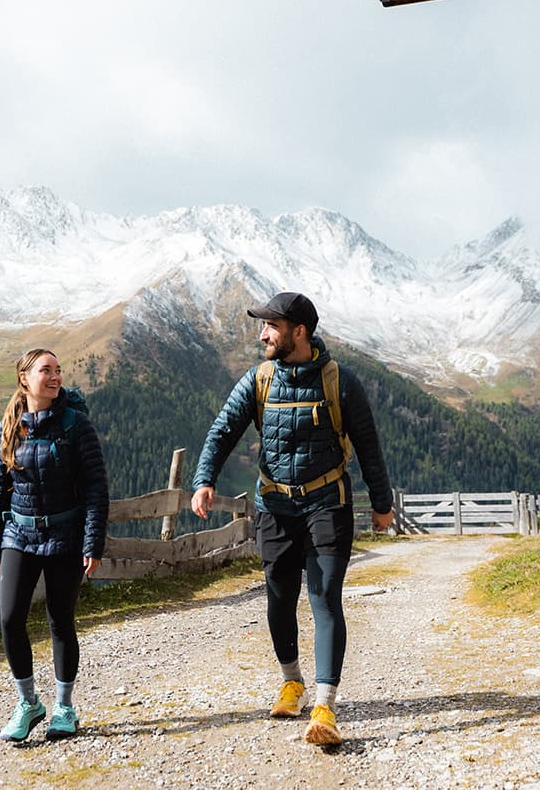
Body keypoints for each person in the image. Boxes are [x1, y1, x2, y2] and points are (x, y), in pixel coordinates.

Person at [190, 291, 393, 747]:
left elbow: (367, 445)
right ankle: (292, 682)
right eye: (263, 326)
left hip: (327, 504)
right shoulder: (259, 379)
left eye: (271, 326)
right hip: (274, 506)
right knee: (279, 599)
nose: (263, 334)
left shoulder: (342, 382)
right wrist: (205, 478)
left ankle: (325, 705)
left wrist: (381, 504)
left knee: (324, 598)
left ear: (299, 331)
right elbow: (222, 430)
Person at [0, 347, 109, 743]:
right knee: (9, 619)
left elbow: (95, 489)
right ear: (25, 378)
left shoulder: (76, 425)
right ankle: (28, 703)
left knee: (60, 621)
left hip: (65, 536)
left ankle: (65, 708)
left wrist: (92, 542)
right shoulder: (9, 427)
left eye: (58, 370)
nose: (56, 377)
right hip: (18, 535)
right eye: (46, 371)